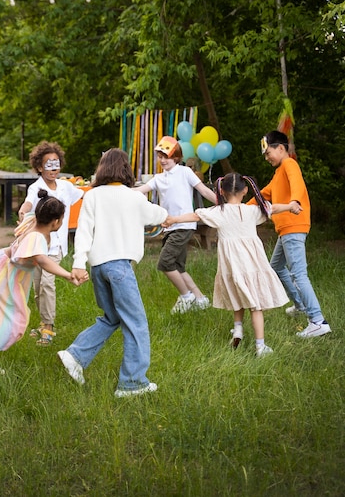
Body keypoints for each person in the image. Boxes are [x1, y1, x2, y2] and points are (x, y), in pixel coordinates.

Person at [57, 148, 169, 398]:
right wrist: (167, 215)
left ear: (102, 168)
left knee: (112, 317)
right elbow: (158, 215)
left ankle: (75, 356)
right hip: (119, 267)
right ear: (126, 169)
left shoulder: (93, 196)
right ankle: (132, 383)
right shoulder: (134, 197)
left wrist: (78, 263)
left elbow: (84, 232)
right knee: (136, 323)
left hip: (98, 267)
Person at [163, 172, 296, 357]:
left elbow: (195, 216)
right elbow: (274, 208)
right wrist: (291, 206)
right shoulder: (252, 210)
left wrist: (173, 219)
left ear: (222, 192)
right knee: (255, 305)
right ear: (246, 191)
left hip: (231, 265)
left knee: (237, 293)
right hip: (252, 264)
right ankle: (260, 346)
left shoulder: (220, 212)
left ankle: (238, 329)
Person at [0, 190, 87, 375]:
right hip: (5, 275)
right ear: (56, 221)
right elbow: (42, 260)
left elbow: (26, 215)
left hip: (0, 266)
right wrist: (67, 275)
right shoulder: (37, 237)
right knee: (12, 319)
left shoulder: (33, 220)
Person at [251, 130, 331, 338]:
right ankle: (300, 305)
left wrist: (294, 202)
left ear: (281, 148)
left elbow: (297, 183)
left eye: (268, 153)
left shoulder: (289, 164)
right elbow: (262, 196)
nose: (267, 158)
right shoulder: (278, 174)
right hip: (286, 230)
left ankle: (317, 320)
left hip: (293, 227)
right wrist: (237, 209)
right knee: (276, 267)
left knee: (298, 274)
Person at [136, 135, 216, 315]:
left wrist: (222, 203)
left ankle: (186, 297)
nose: (162, 160)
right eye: (160, 156)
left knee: (165, 263)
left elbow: (203, 190)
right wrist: (118, 191)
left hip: (185, 225)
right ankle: (200, 299)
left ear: (176, 157)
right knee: (178, 266)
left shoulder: (184, 172)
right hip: (169, 227)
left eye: (166, 156)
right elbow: (141, 190)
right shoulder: (158, 178)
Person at [18, 141, 84, 345]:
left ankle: (49, 326)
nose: (53, 168)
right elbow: (28, 203)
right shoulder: (35, 188)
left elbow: (84, 195)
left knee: (47, 283)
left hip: (57, 246)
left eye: (56, 164)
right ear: (39, 166)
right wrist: (23, 210)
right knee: (38, 287)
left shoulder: (66, 186)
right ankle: (43, 321)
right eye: (48, 164)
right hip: (39, 245)